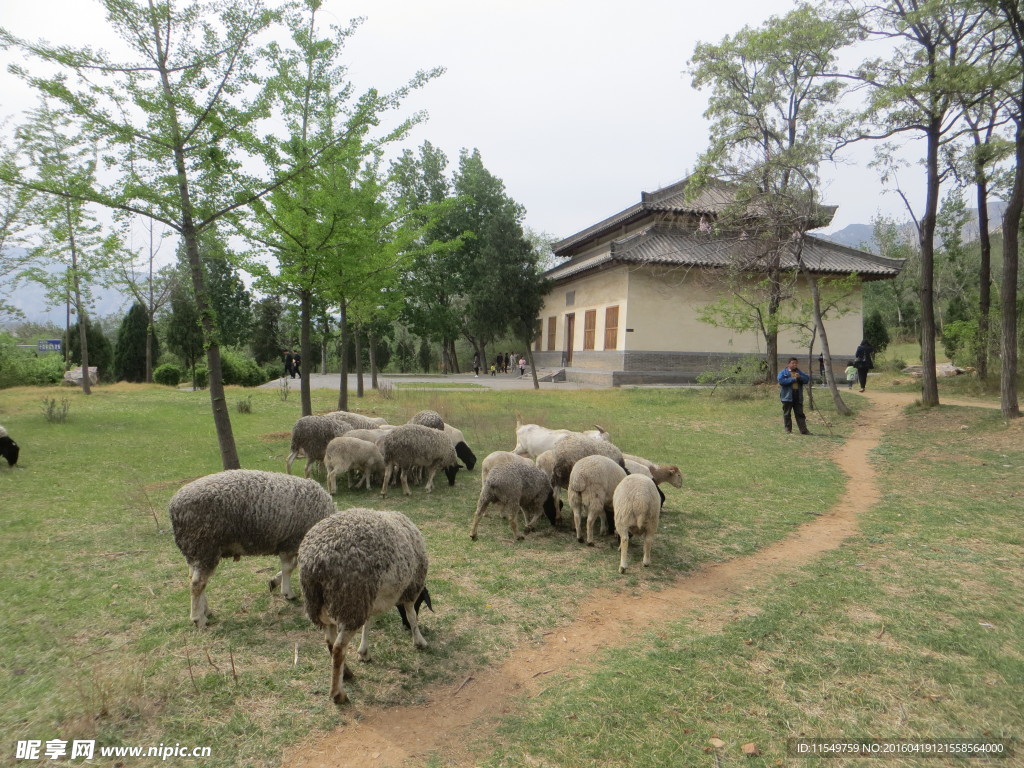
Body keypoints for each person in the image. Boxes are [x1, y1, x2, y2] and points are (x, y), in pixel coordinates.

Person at [778, 357, 811, 435]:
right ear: (788, 364)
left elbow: (806, 379)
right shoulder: (784, 372)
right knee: (787, 414)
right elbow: (781, 381)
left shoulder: (799, 372)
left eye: (796, 363)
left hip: (797, 397)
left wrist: (800, 377)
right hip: (787, 397)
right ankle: (788, 429)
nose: (795, 365)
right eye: (793, 363)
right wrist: (793, 379)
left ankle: (804, 430)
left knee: (800, 414)